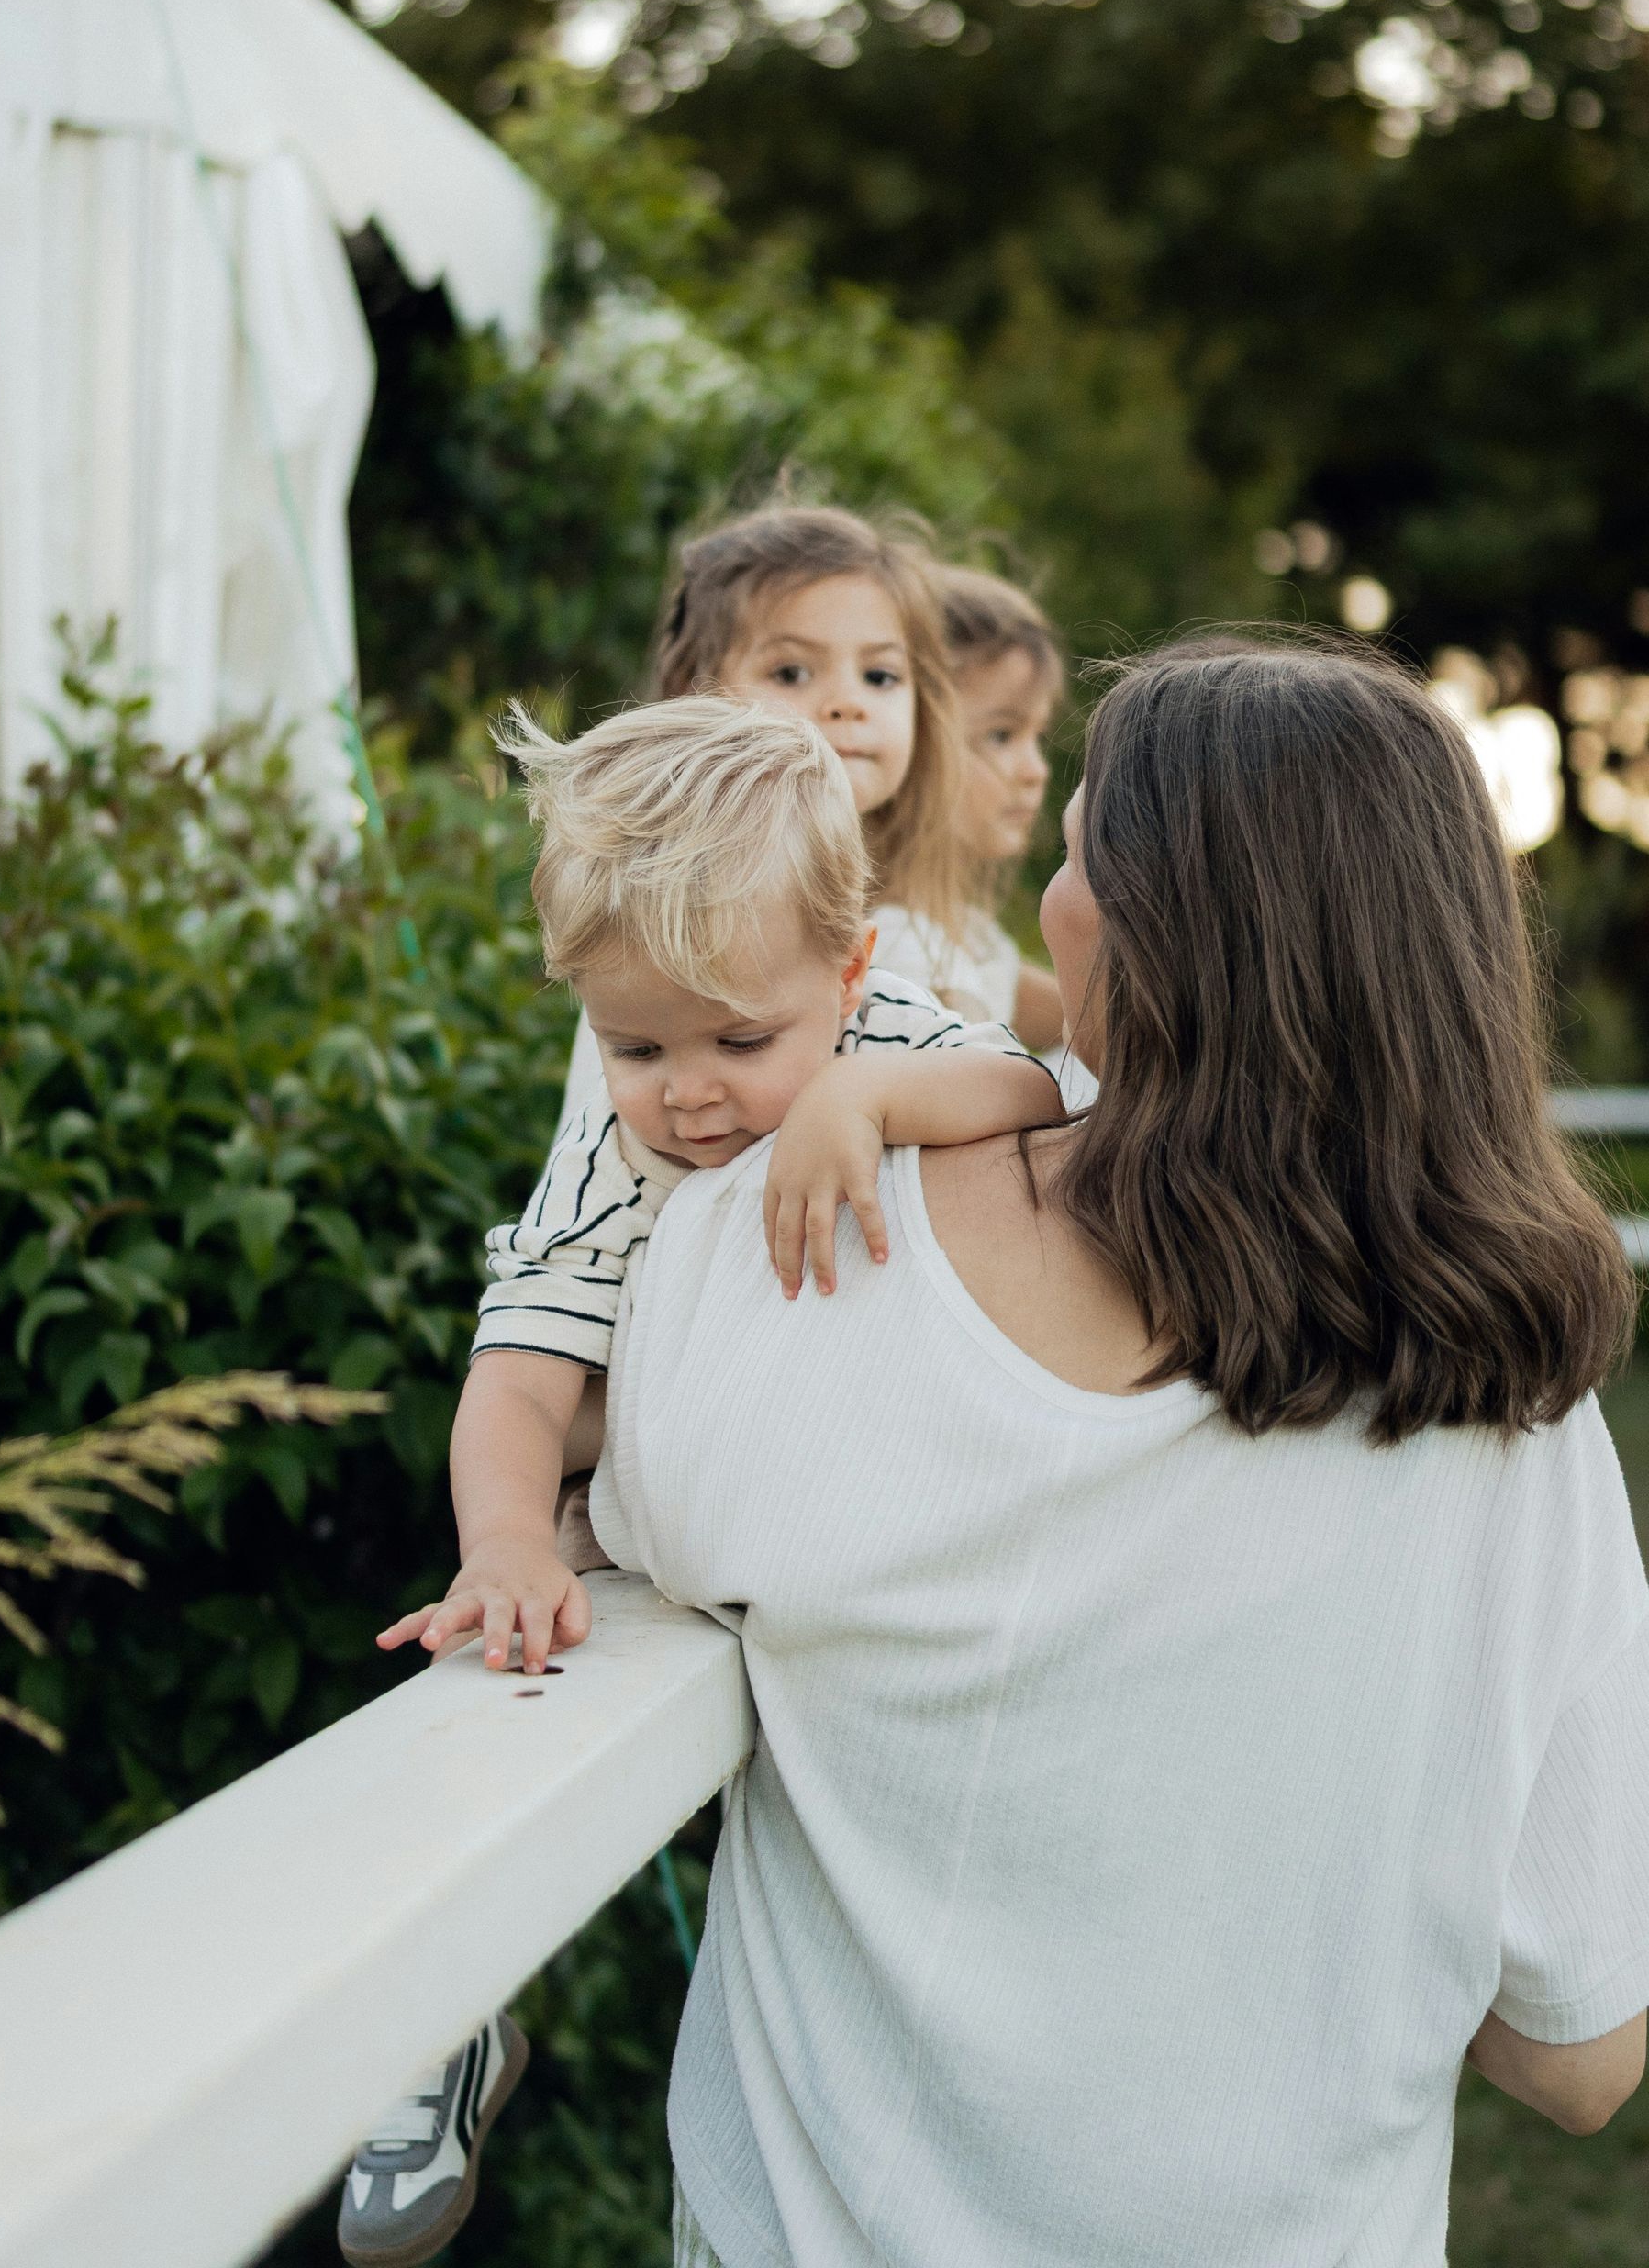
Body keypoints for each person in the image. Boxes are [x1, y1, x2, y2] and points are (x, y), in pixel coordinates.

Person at [574, 634, 1646, 2266]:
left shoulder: (786, 1246)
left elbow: (606, 1503)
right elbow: (1579, 2058)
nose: (1043, 905)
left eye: (1073, 855)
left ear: (1143, 931)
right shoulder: (1517, 1408)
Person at [340, 696, 1058, 2268]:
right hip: (680, 1528)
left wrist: (859, 1105)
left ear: (854, 975)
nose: (691, 1094)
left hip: (877, 1536)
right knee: (511, 1697)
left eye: (744, 1041)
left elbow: (1036, 1101)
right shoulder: (615, 1137)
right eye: (635, 1043)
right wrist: (511, 1538)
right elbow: (521, 1375)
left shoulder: (890, 1037)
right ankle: (447, 2020)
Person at [554, 489, 971, 1129]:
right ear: (691, 692)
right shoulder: (654, 919)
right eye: (791, 673)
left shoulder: (907, 916)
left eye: (880, 677)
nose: (846, 703)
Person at [875, 564, 1069, 1045]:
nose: (1035, 770)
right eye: (1001, 735)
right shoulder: (899, 949)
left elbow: (1052, 1005)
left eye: (1035, 736)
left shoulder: (960, 928)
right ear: (911, 736)